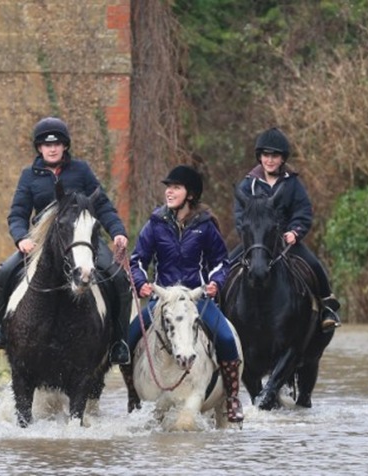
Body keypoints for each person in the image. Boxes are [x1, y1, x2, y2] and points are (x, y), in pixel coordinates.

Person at [0, 116, 132, 365]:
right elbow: (17, 214)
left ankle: (119, 342)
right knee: (2, 275)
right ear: (39, 148)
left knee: (119, 279)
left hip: (83, 240)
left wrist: (117, 231)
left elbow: (103, 206)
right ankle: (0, 327)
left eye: (57, 144)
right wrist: (21, 238)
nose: (51, 148)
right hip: (43, 243)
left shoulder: (82, 170)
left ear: (65, 146)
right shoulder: (29, 176)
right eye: (46, 144)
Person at [121, 165, 244, 423]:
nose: (169, 192)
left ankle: (232, 399)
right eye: (168, 187)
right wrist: (142, 282)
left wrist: (215, 283)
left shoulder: (206, 226)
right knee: (127, 341)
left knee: (226, 338)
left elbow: (221, 262)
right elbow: (137, 260)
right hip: (162, 300)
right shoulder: (155, 223)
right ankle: (134, 396)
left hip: (196, 299)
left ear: (190, 194)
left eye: (175, 187)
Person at [234, 127, 341, 332]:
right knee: (228, 264)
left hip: (285, 241)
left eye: (275, 156)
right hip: (257, 241)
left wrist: (295, 232)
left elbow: (303, 211)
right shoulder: (248, 184)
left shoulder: (293, 184)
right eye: (266, 155)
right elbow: (240, 215)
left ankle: (327, 307)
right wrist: (248, 235)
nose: (270, 160)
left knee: (314, 265)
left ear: (282, 158)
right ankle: (218, 306)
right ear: (260, 157)